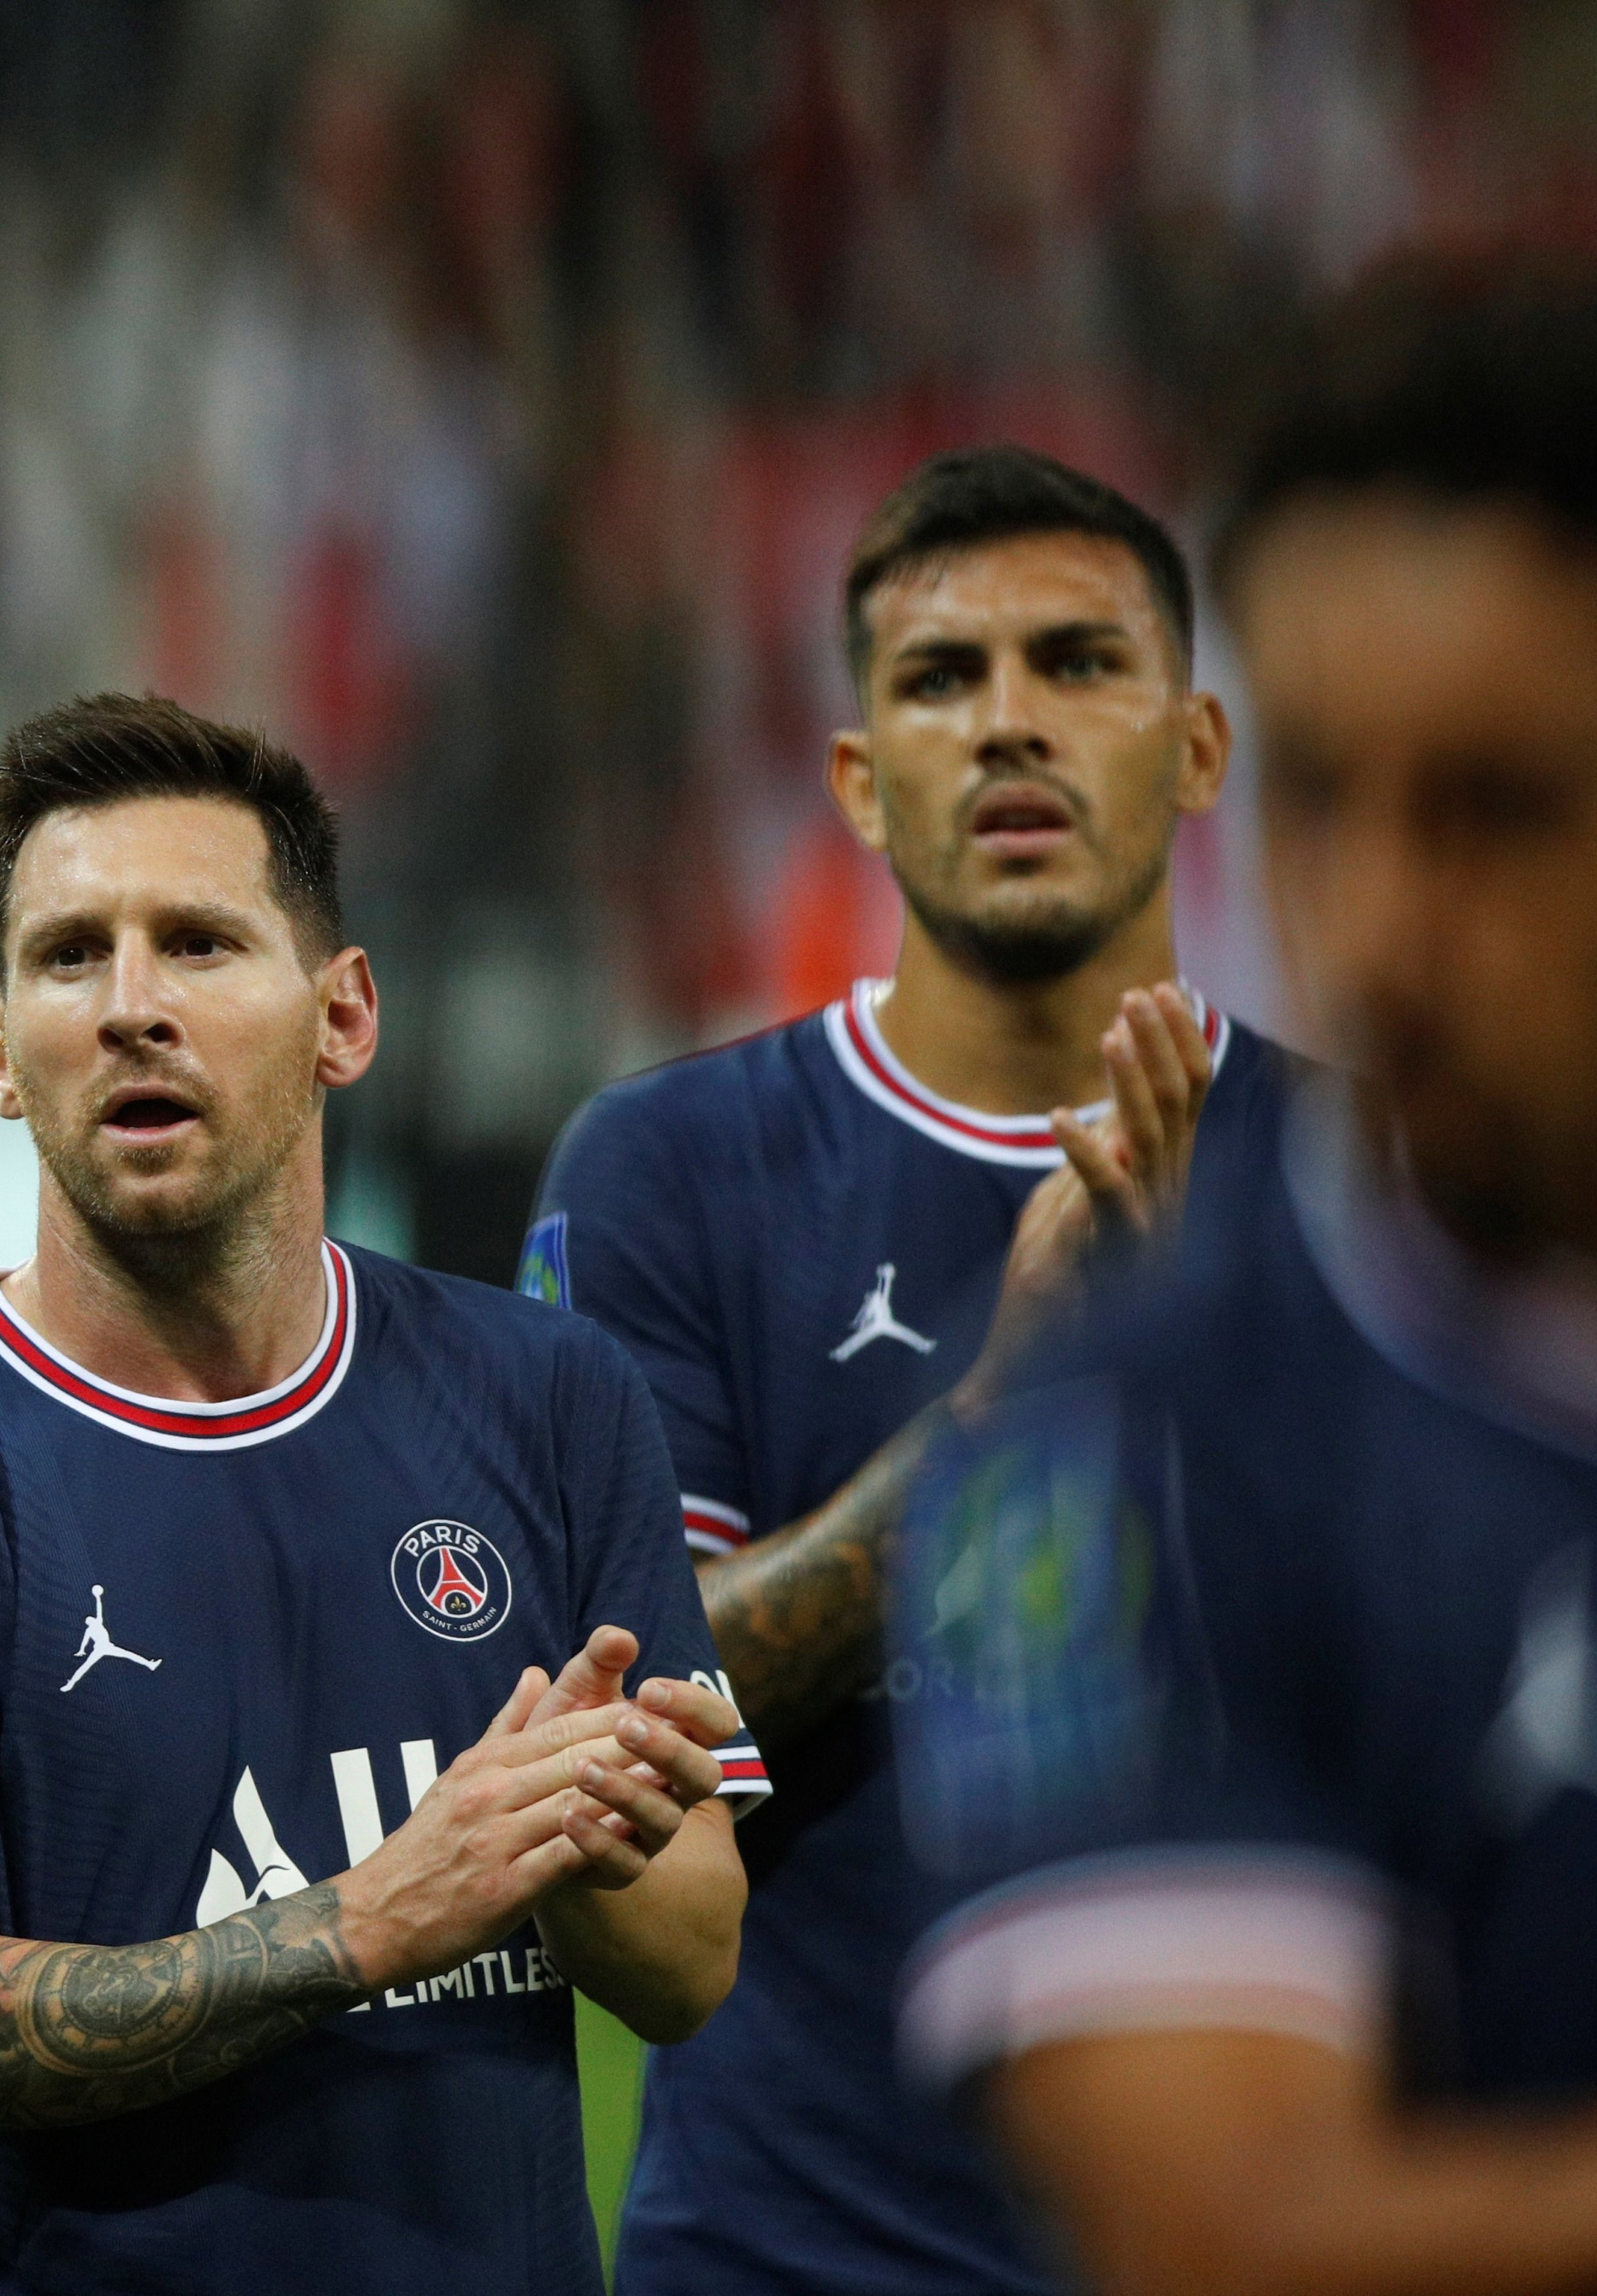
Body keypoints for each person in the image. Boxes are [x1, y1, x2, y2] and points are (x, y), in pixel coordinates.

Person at [888, 267, 1597, 2294]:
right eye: (1317, 799)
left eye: (1502, 809)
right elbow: (1231, 2252)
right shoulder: (1102, 1464)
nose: (1378, 928)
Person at [0, 693, 765, 2295]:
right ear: (1, 1049)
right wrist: (360, 1922)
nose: (132, 1004)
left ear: (343, 1017)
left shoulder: (549, 1397)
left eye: (198, 942)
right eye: (71, 956)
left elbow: (694, 1958)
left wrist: (575, 1834)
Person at [526, 443, 1298, 2294]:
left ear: (1194, 750)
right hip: (798, 2257)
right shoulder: (667, 1175)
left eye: (1075, 664)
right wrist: (1001, 1400)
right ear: (861, 786)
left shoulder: (1380, 1181)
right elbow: (614, 1733)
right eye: (942, 679)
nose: (1008, 724)